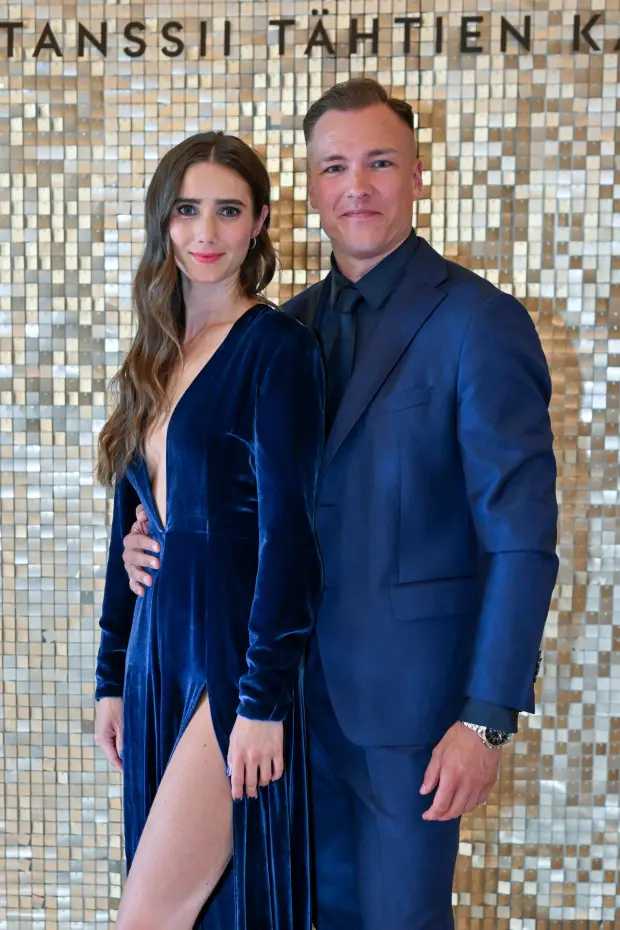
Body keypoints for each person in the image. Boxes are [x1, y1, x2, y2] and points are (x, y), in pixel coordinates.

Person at [121, 79, 559, 929]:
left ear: (418, 176)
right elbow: (241, 497)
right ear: (311, 189)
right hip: (273, 705)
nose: (356, 186)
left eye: (379, 162)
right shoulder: (278, 332)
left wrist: (486, 719)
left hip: (409, 721)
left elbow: (521, 540)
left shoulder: (480, 322)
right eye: (334, 167)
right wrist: (153, 538)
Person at [93, 131, 324, 930]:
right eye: (188, 209)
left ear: (258, 223)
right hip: (156, 655)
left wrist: (261, 701)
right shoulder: (154, 353)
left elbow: (290, 539)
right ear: (164, 219)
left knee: (151, 913)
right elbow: (126, 532)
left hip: (230, 664)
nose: (206, 232)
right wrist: (111, 678)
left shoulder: (278, 350)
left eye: (229, 211)